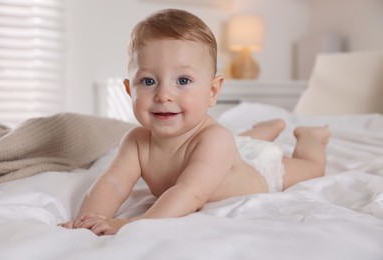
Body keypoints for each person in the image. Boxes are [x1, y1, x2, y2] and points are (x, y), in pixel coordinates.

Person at [59, 9, 330, 235]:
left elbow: (191, 192)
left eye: (183, 81)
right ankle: (260, 133)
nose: (164, 95)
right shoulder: (136, 141)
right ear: (130, 90)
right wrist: (90, 220)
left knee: (311, 167)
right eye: (149, 81)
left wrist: (131, 224)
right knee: (242, 144)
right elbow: (112, 184)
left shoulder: (215, 139)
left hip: (258, 171)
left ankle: (310, 138)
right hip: (231, 154)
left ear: (212, 91)